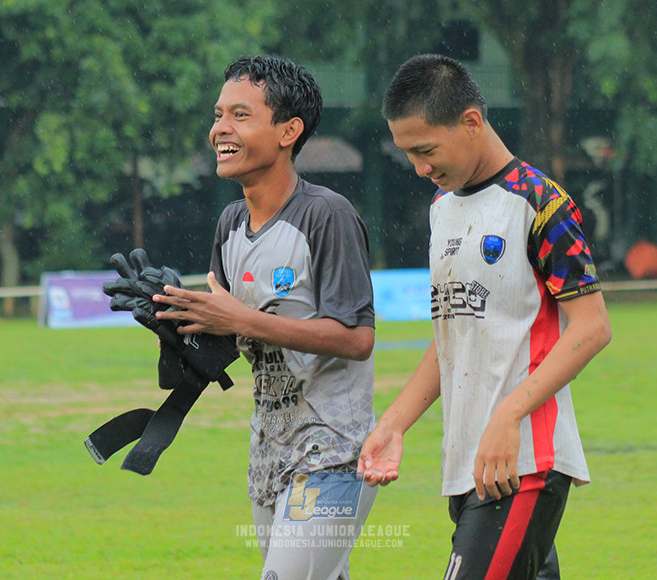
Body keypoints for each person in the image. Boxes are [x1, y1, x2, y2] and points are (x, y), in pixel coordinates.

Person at [358, 54, 612, 580]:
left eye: (425, 150)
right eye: (407, 154)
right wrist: (394, 423)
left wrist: (509, 415)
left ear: (471, 121)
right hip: (470, 464)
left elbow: (592, 327)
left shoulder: (540, 203)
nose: (419, 168)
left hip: (523, 462)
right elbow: (452, 334)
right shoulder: (441, 209)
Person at [152, 55, 378, 580]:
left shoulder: (327, 214)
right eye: (217, 114)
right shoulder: (230, 223)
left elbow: (357, 338)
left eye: (240, 115)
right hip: (267, 453)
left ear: (288, 131)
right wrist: (172, 321)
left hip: (332, 453)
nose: (220, 130)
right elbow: (224, 341)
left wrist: (241, 318)